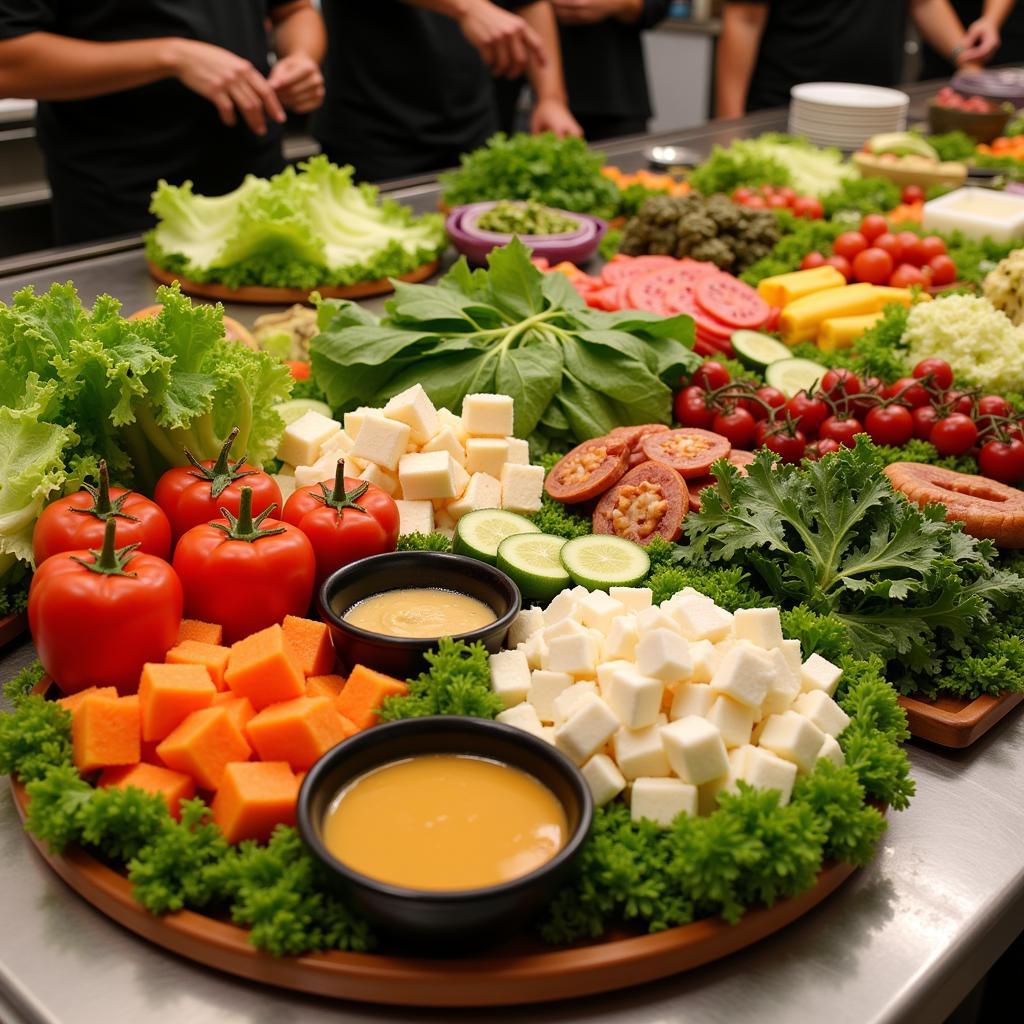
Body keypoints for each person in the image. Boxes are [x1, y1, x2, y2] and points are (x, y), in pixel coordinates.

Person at [0, 1, 326, 245]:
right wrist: (172, 56)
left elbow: (293, 11)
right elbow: (7, 62)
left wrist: (301, 58)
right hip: (122, 200)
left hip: (256, 180)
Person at [313, 0, 580, 183]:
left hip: (474, 122)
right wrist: (468, 7)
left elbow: (529, 2)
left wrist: (550, 98)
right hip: (374, 127)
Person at [716, 0, 995, 117]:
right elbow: (744, 18)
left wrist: (968, 65)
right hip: (787, 111)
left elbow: (925, 3)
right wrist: (730, 122)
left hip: (877, 111)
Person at [496, 0, 671, 141]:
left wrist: (620, 3)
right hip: (523, 87)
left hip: (615, 89)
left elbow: (658, 6)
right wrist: (549, 98)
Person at [919, 1, 1022, 79]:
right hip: (944, 57)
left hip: (1010, 44)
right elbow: (926, 4)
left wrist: (990, 20)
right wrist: (966, 61)